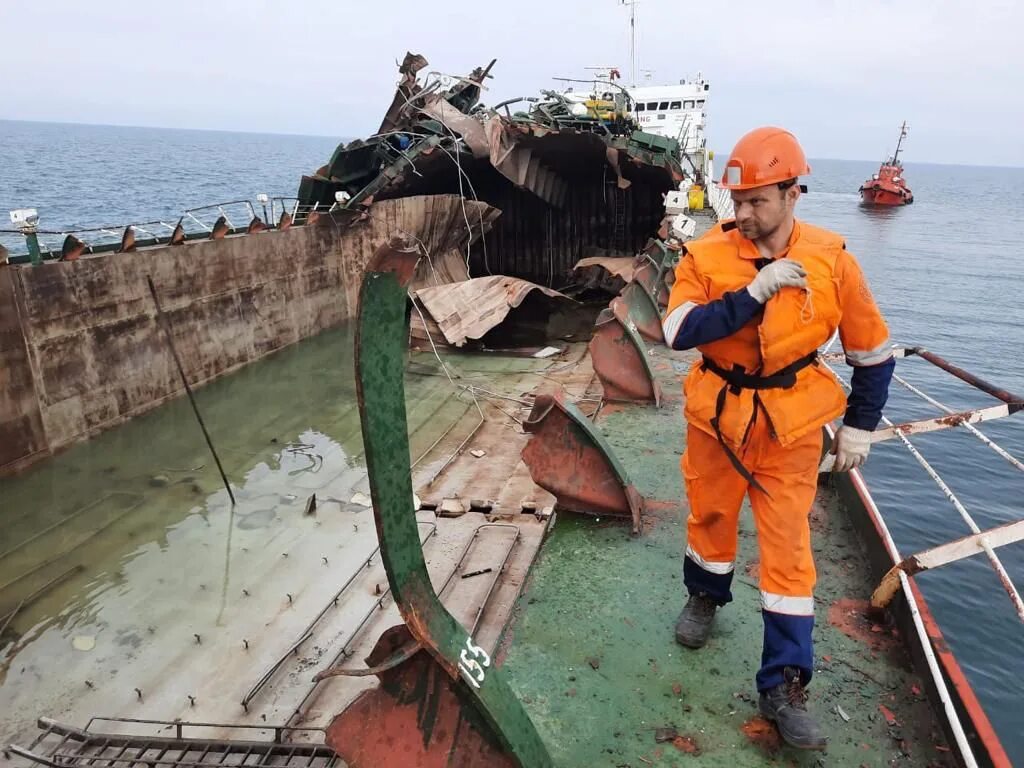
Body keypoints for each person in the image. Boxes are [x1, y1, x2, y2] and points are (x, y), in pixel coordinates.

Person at [661, 126, 894, 750]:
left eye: (757, 201)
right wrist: (751, 295)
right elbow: (677, 332)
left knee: (789, 550)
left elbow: (872, 353)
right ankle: (704, 596)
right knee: (710, 515)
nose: (742, 213)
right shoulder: (706, 255)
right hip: (717, 418)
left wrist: (860, 426)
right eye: (737, 201)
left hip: (790, 426)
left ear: (793, 194)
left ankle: (785, 683)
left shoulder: (833, 260)